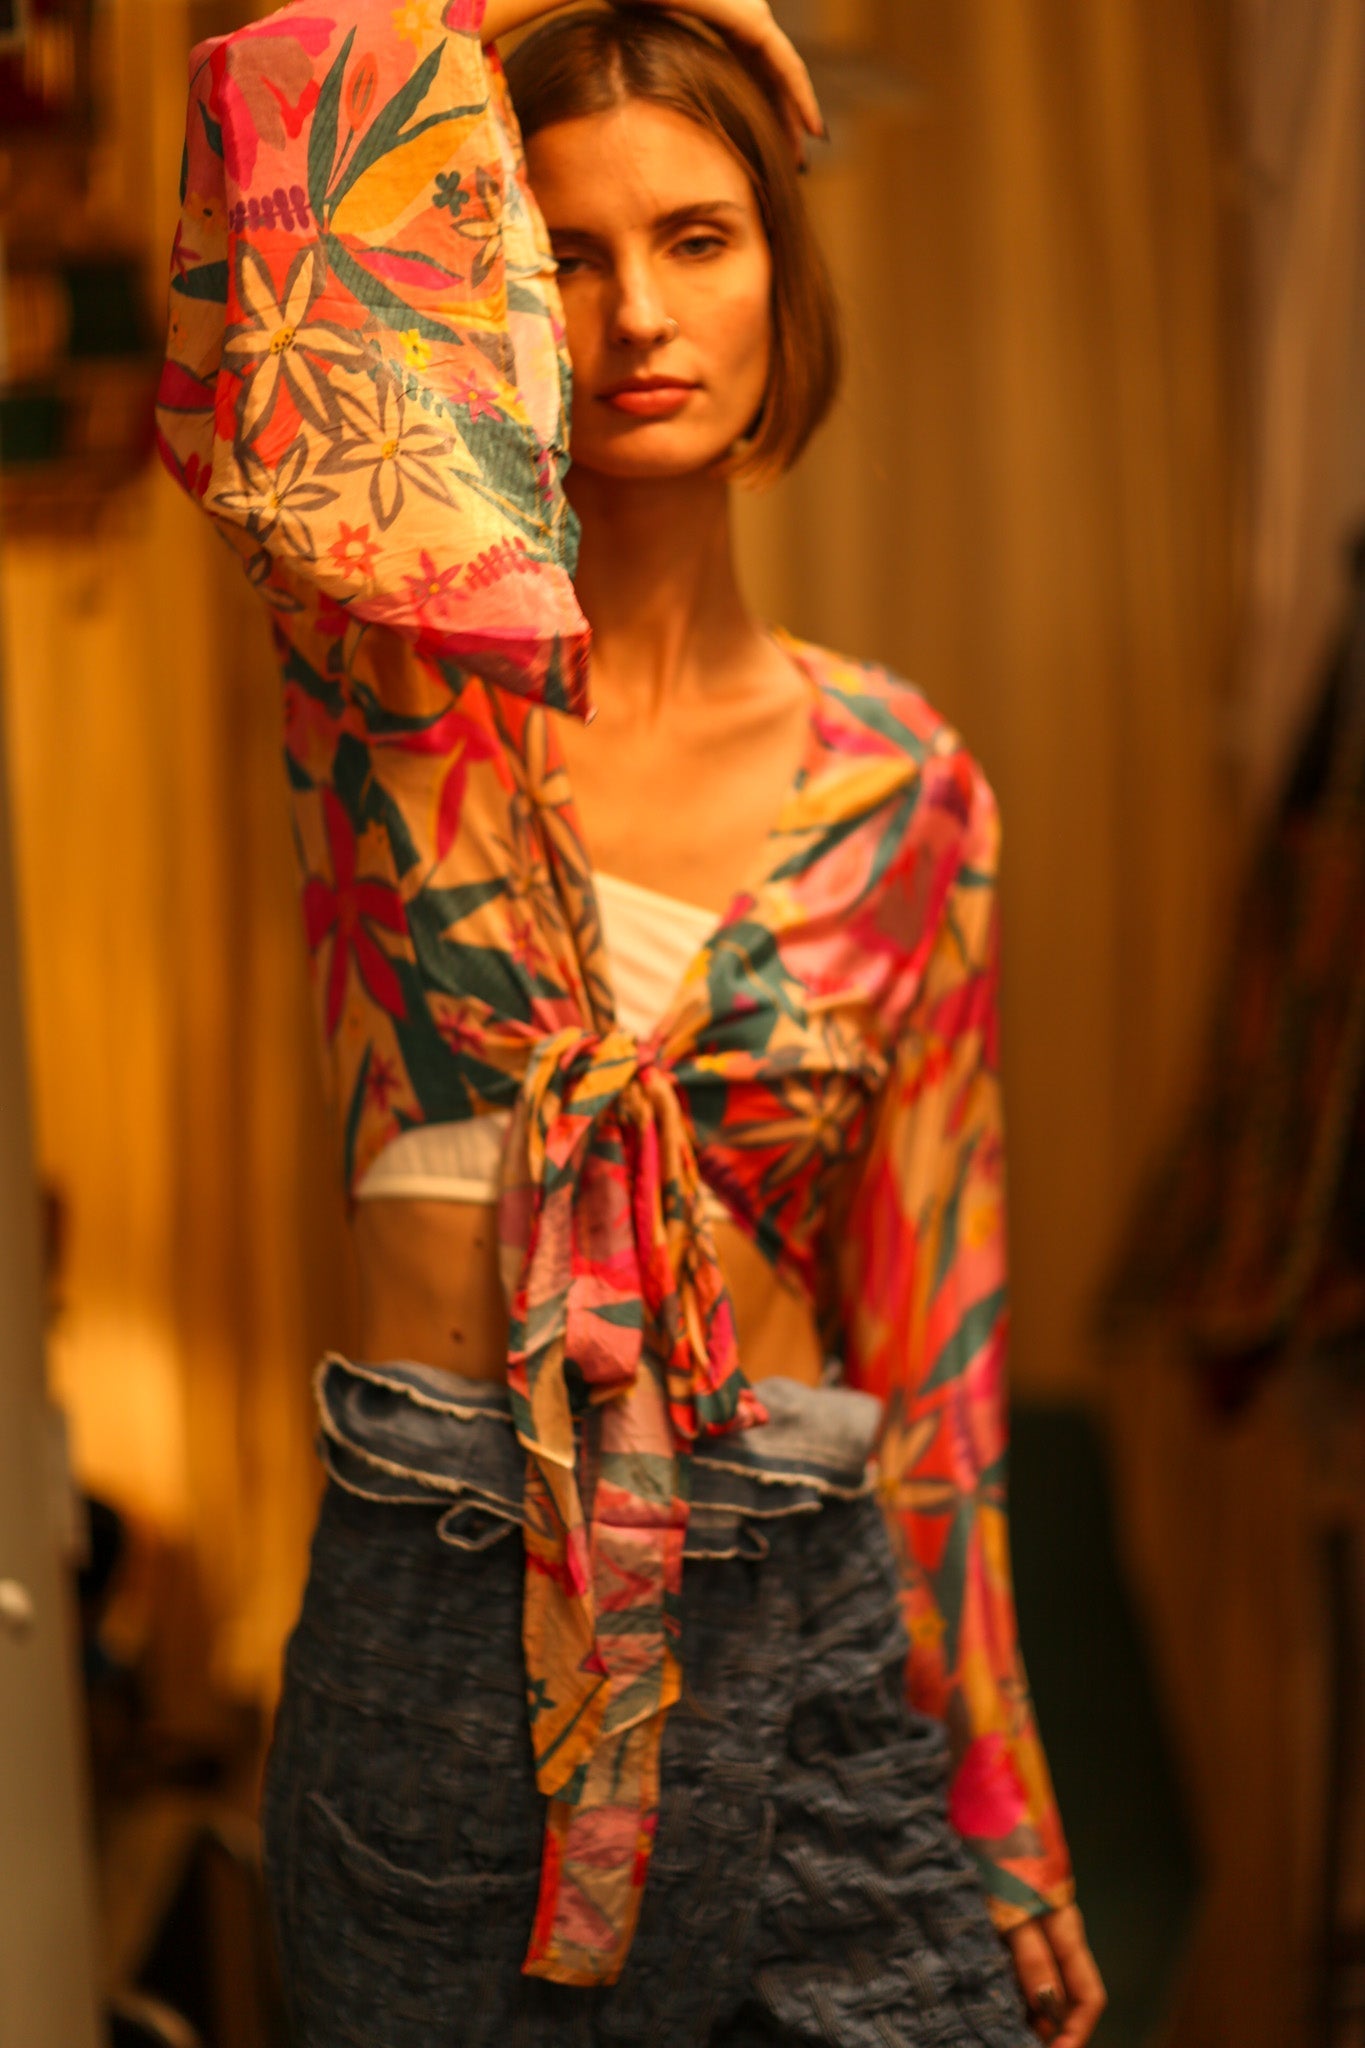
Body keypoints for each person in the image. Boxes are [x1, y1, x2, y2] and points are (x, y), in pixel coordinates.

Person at [157, 0, 1105, 2040]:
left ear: (779, 274)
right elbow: (288, 102)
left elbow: (935, 1360)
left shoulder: (905, 792)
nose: (638, 316)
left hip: (813, 1618)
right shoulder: (384, 678)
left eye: (696, 237)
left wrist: (1000, 1800)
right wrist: (550, 11)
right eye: (565, 253)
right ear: (493, 285)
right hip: (448, 1618)